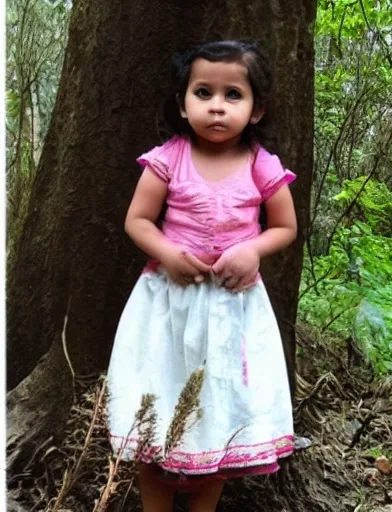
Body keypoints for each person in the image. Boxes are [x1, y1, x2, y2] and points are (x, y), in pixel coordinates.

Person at [107, 40, 297, 512]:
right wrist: (168, 253)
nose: (217, 105)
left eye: (233, 95)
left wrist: (253, 249)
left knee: (219, 414)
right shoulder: (168, 159)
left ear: (256, 110)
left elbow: (286, 227)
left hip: (233, 313)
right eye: (203, 92)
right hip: (167, 308)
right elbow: (137, 220)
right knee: (157, 408)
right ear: (182, 103)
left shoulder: (261, 165)